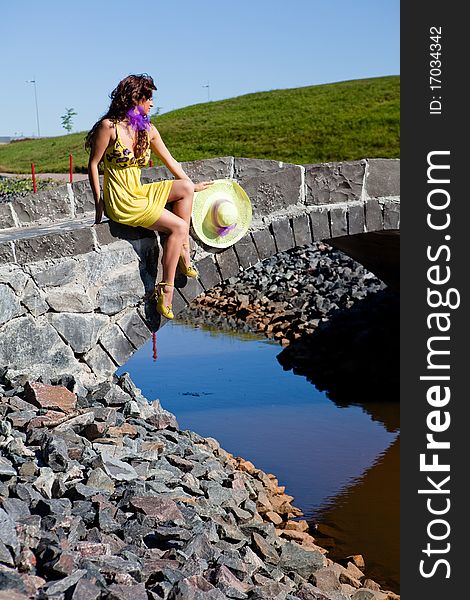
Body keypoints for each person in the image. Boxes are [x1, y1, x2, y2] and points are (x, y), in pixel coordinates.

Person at [85, 73, 213, 320]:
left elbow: (170, 160)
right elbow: (93, 165)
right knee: (177, 226)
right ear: (136, 98)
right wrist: (99, 206)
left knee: (185, 188)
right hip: (122, 200)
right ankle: (166, 288)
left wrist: (192, 184)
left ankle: (183, 250)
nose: (152, 104)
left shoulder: (147, 130)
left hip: (139, 192)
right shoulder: (108, 128)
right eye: (149, 98)